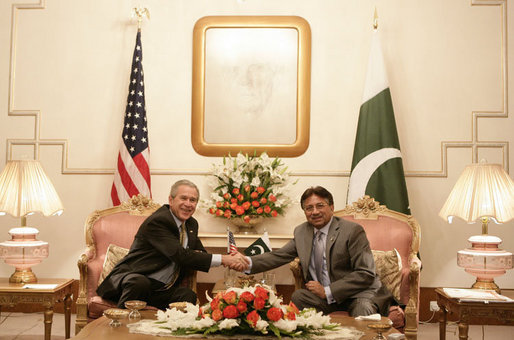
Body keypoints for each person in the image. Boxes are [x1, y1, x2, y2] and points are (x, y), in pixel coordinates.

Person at [97, 179, 248, 310]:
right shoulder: (159, 221)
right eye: (184, 198)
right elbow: (180, 255)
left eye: (193, 200)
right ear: (171, 200)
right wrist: (223, 259)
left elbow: (198, 251)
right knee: (139, 282)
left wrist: (231, 257)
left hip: (160, 289)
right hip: (131, 282)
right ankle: (121, 326)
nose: (188, 204)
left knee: (187, 295)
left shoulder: (190, 223)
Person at [243, 186, 393, 316]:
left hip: (357, 294)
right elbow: (278, 256)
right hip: (324, 299)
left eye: (320, 206)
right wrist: (245, 262)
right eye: (309, 208)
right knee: (299, 297)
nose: (315, 212)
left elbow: (365, 273)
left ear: (332, 207)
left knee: (363, 308)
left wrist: (328, 291)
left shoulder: (352, 231)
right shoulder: (302, 232)